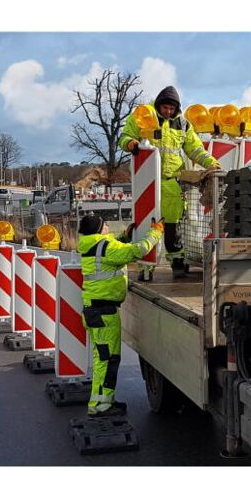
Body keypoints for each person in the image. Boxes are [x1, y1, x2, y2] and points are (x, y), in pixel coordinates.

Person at [119, 85, 221, 280]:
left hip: (171, 182)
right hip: (147, 180)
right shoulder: (144, 115)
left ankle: (177, 263)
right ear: (158, 105)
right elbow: (125, 136)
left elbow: (195, 149)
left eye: (171, 108)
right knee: (147, 225)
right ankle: (145, 267)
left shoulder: (182, 124)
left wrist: (211, 163)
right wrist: (130, 144)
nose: (167, 111)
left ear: (177, 108)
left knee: (173, 227)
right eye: (165, 107)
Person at [78, 214, 164, 417]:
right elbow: (138, 250)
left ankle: (103, 401)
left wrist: (124, 237)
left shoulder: (92, 245)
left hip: (95, 311)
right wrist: (156, 232)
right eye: (105, 224)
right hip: (104, 312)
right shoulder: (106, 247)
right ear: (100, 229)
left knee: (103, 359)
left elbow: (112, 252)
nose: (108, 226)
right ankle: (100, 405)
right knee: (107, 360)